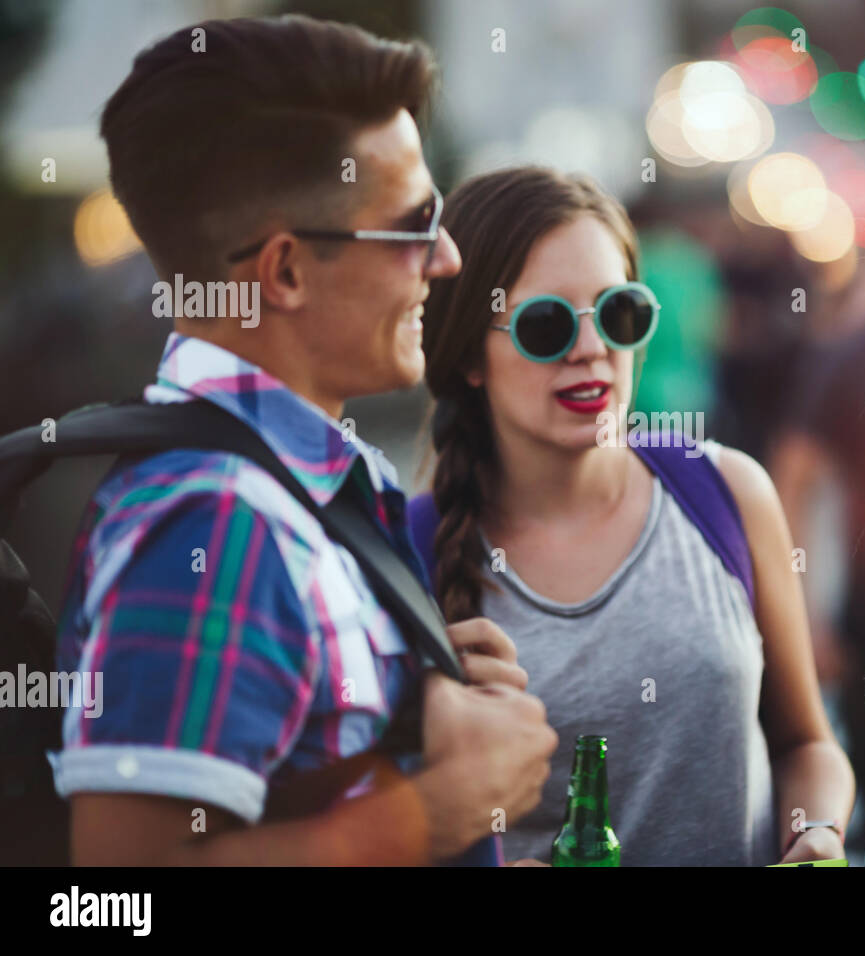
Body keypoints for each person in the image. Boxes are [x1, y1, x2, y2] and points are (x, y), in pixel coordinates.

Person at [52, 15, 556, 865]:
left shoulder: (285, 485)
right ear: (283, 272)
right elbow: (114, 895)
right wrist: (434, 812)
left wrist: (402, 690)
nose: (449, 257)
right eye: (414, 223)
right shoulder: (215, 520)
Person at [410, 167, 855, 865]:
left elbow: (805, 742)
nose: (593, 350)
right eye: (546, 324)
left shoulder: (729, 493)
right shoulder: (405, 554)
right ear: (469, 352)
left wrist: (817, 834)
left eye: (620, 313)